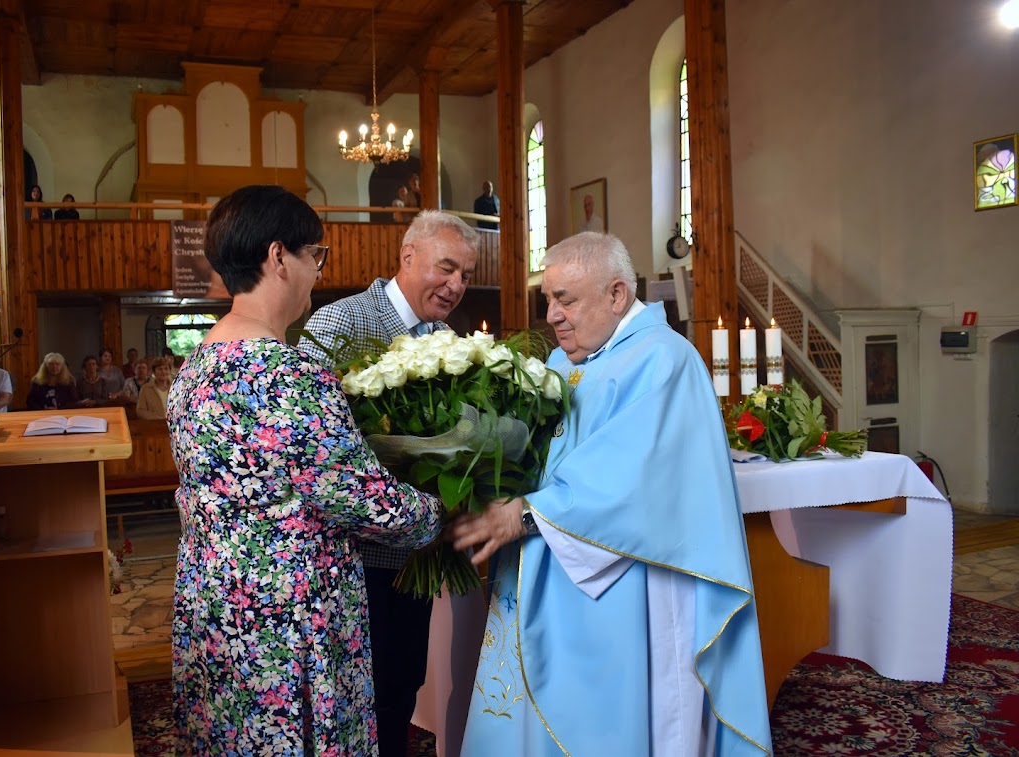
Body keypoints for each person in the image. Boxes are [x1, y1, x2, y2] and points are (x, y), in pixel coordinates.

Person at [449, 232, 773, 756]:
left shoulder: (663, 360)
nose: (552, 315)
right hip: (549, 564)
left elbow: (631, 476)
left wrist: (527, 513)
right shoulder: (562, 362)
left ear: (617, 294)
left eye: (566, 300)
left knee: (619, 715)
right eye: (548, 300)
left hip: (630, 577)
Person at [167, 184, 443, 754]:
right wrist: (442, 511)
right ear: (277, 258)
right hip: (287, 617)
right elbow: (371, 504)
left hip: (214, 599)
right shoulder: (288, 375)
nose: (317, 271)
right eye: (313, 256)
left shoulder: (194, 367)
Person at [298, 210, 479, 757]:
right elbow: (315, 450)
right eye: (446, 268)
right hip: (351, 562)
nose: (455, 286)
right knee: (351, 705)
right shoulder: (339, 324)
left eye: (466, 275)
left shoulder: (445, 338)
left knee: (402, 687)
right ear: (408, 256)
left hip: (416, 558)